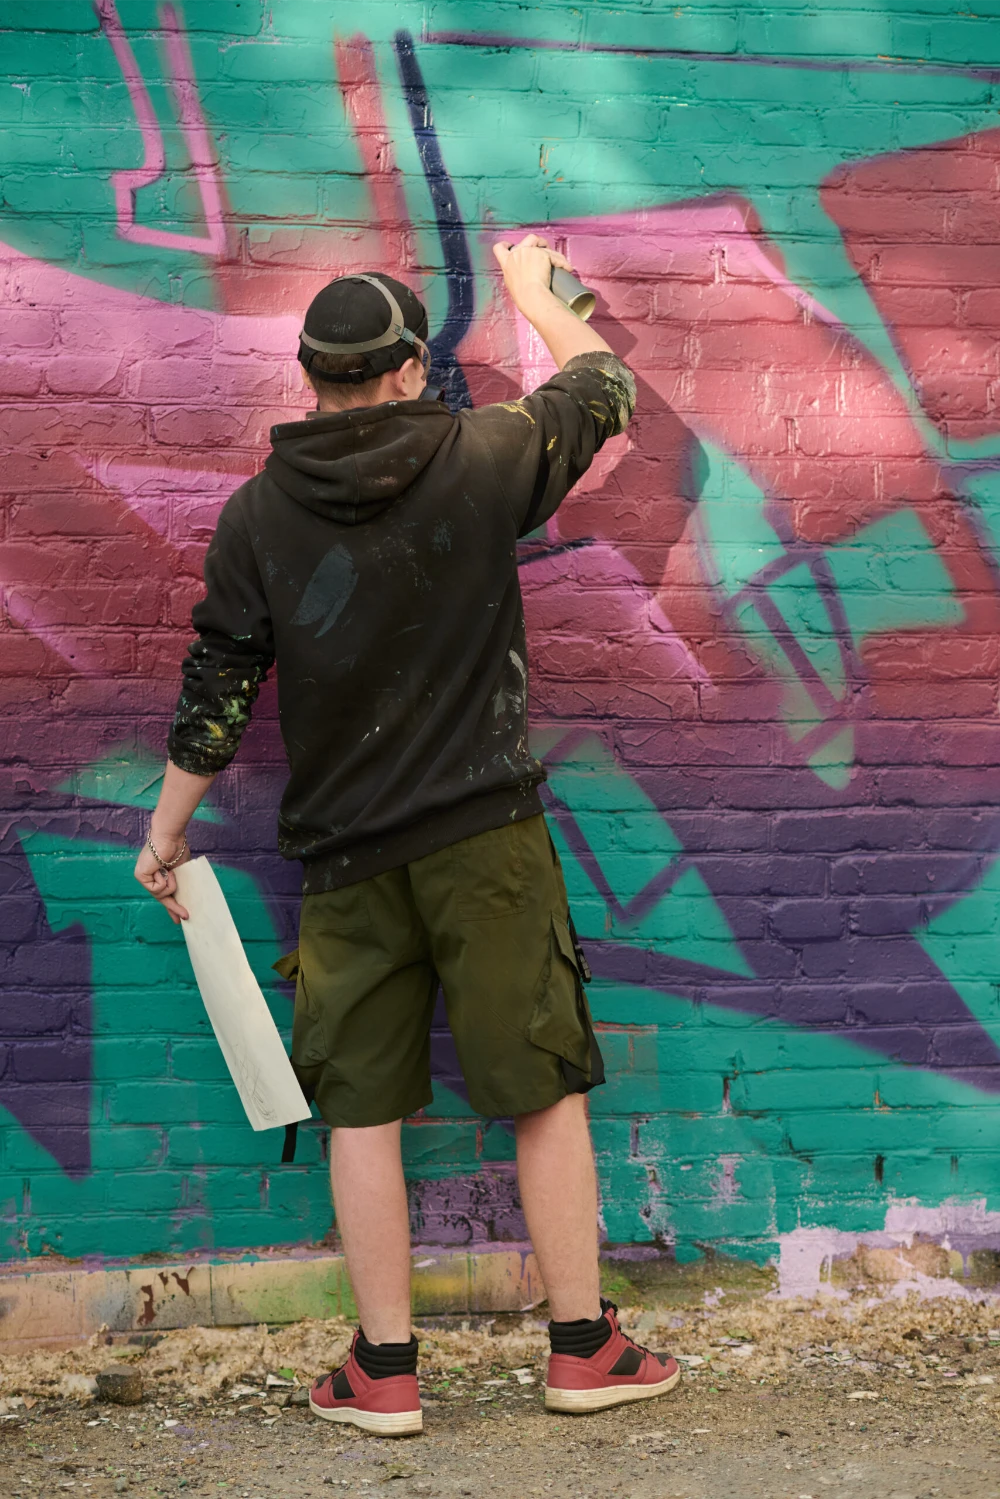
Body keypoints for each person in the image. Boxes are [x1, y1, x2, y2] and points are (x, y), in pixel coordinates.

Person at [134, 235, 680, 1435]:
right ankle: (581, 1348)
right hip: (487, 838)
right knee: (540, 1090)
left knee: (362, 1112)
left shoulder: (255, 517)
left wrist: (165, 835)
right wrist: (540, 295)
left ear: (313, 376)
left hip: (343, 858)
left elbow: (216, 693)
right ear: (406, 368)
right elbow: (601, 389)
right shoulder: (482, 454)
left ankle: (383, 1371)